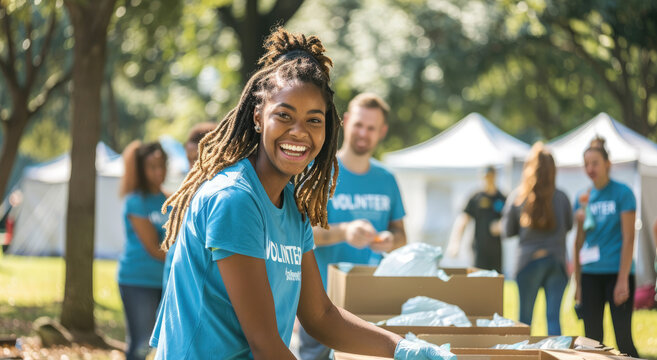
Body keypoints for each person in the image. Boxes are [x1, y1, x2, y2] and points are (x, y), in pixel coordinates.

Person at [149, 28, 445, 360]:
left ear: (328, 129)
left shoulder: (292, 207)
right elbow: (265, 345)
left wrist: (400, 347)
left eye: (313, 120)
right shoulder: (235, 200)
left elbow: (320, 316)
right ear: (259, 116)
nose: (299, 133)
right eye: (284, 116)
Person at [298, 93, 407, 359]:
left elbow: (402, 234)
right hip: (322, 305)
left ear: (382, 132)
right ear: (346, 121)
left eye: (371, 128)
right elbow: (302, 233)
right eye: (359, 124)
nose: (363, 133)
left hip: (373, 304)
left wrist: (390, 239)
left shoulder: (387, 179)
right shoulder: (318, 171)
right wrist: (344, 232)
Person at [573, 136, 639, 357]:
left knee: (623, 340)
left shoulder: (623, 193)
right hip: (590, 275)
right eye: (586, 164)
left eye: (595, 163)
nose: (590, 168)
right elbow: (579, 242)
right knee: (591, 341)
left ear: (607, 164)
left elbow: (629, 238)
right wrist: (578, 283)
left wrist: (622, 279)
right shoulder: (582, 197)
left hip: (616, 273)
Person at [501, 142, 572, 335]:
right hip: (556, 262)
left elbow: (507, 231)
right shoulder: (562, 197)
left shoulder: (517, 197)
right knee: (553, 319)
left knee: (524, 321)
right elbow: (570, 226)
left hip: (527, 263)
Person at [118, 141, 169, 360]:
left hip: (164, 280)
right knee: (141, 345)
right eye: (152, 166)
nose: (159, 171)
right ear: (141, 169)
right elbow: (154, 248)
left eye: (162, 165)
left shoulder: (171, 200)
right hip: (137, 280)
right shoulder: (136, 202)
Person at [162, 122, 218, 290]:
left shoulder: (219, 196)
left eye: (196, 159)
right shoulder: (189, 191)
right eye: (188, 159)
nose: (191, 167)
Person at [447, 165, 506, 273]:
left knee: (495, 284)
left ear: (495, 176)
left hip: (496, 250)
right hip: (479, 249)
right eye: (485, 177)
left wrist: (500, 226)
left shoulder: (502, 198)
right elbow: (463, 220)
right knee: (479, 281)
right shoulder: (476, 197)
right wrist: (455, 243)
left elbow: (510, 220)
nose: (488, 179)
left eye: (490, 176)